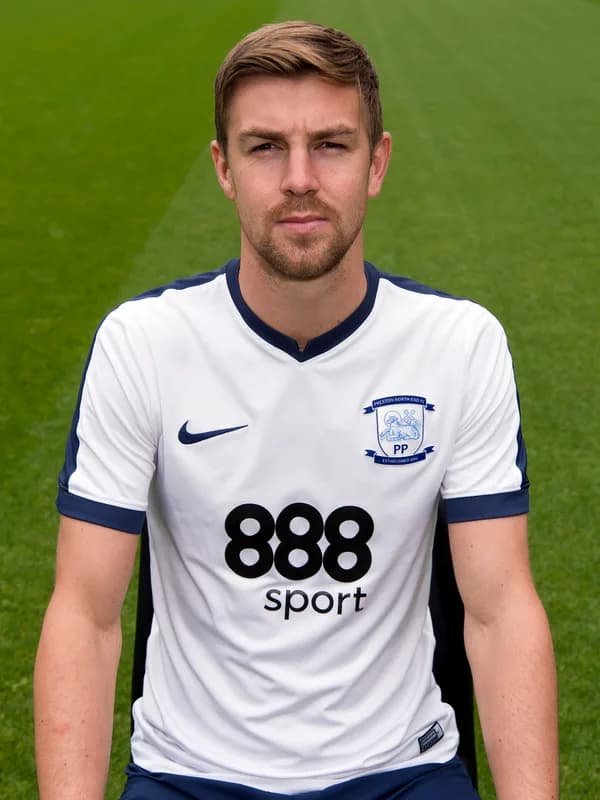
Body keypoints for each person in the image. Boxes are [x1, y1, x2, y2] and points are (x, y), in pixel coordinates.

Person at [34, 20, 559, 800]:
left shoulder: (456, 344)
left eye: (332, 145)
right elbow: (85, 612)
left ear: (377, 163)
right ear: (224, 168)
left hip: (402, 772)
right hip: (189, 776)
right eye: (266, 147)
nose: (300, 179)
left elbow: (499, 608)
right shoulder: (145, 343)